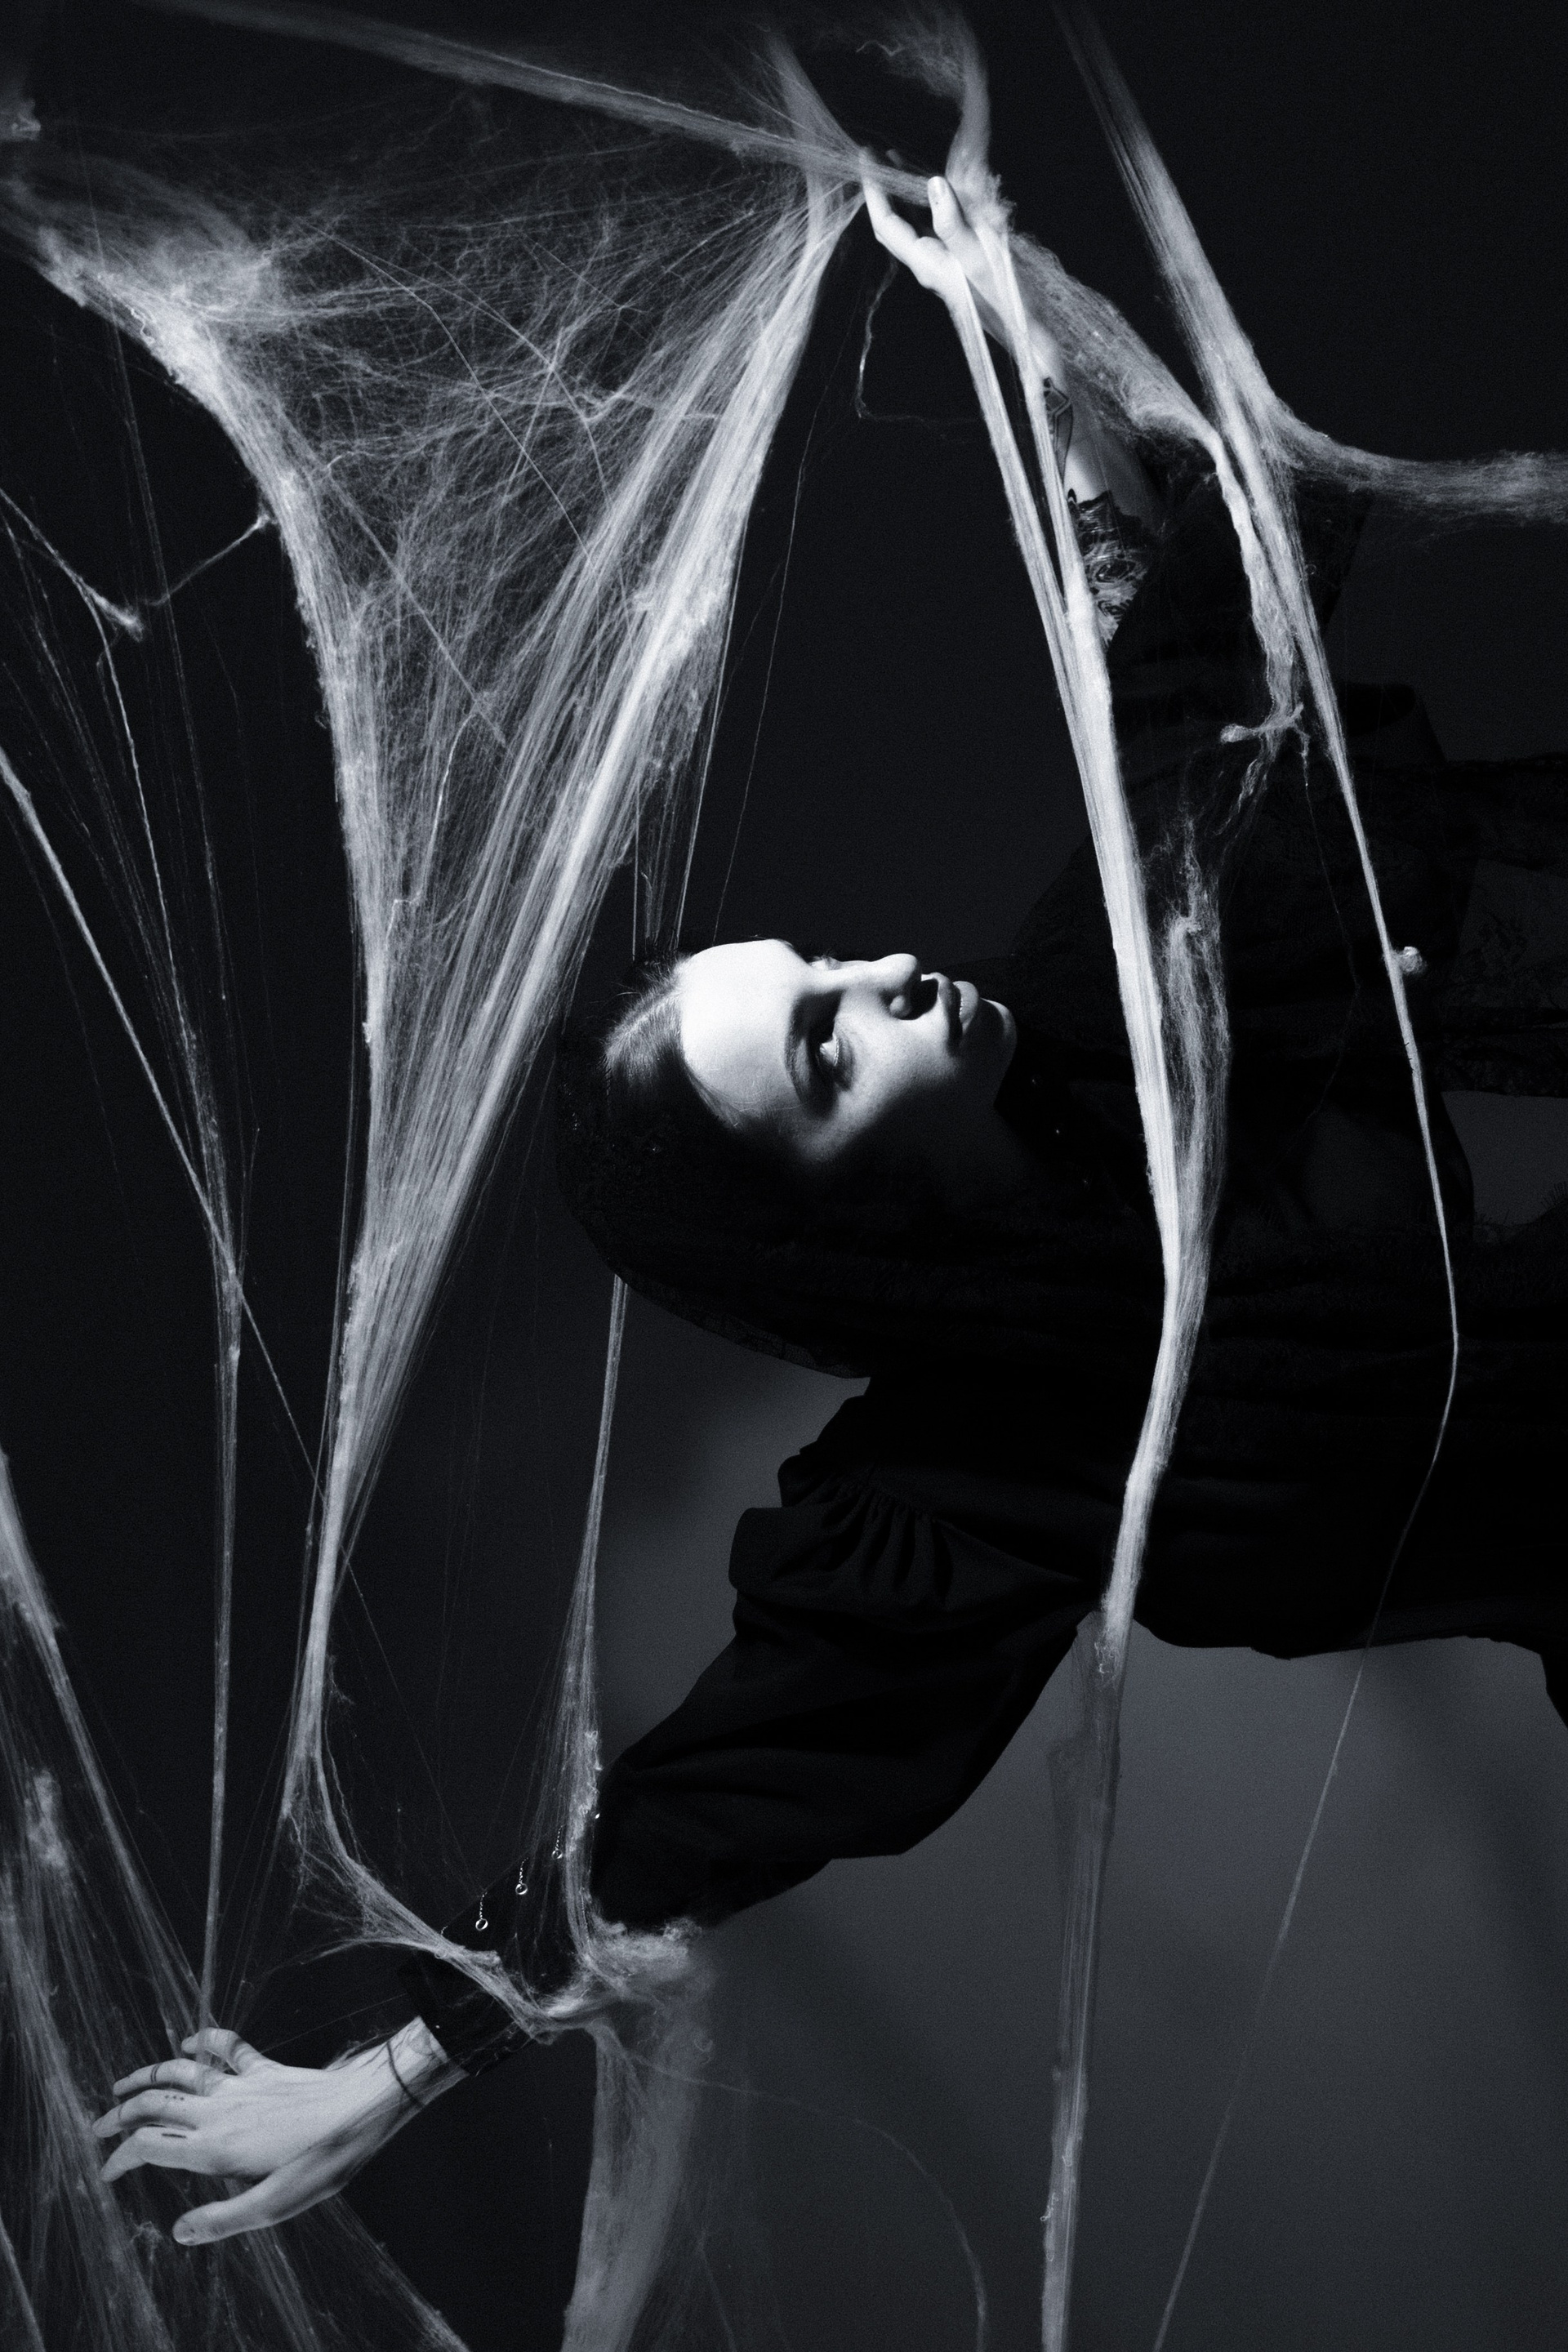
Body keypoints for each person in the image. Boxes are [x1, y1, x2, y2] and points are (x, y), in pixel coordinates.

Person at [91, 172, 1568, 2243]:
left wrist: (1041, 345)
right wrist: (376, 2080)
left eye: (819, 970)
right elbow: (705, 1808)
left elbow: (1181, 677)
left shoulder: (1110, 1007)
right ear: (831, 1207)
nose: (882, 984)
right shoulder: (978, 1481)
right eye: (820, 1052)